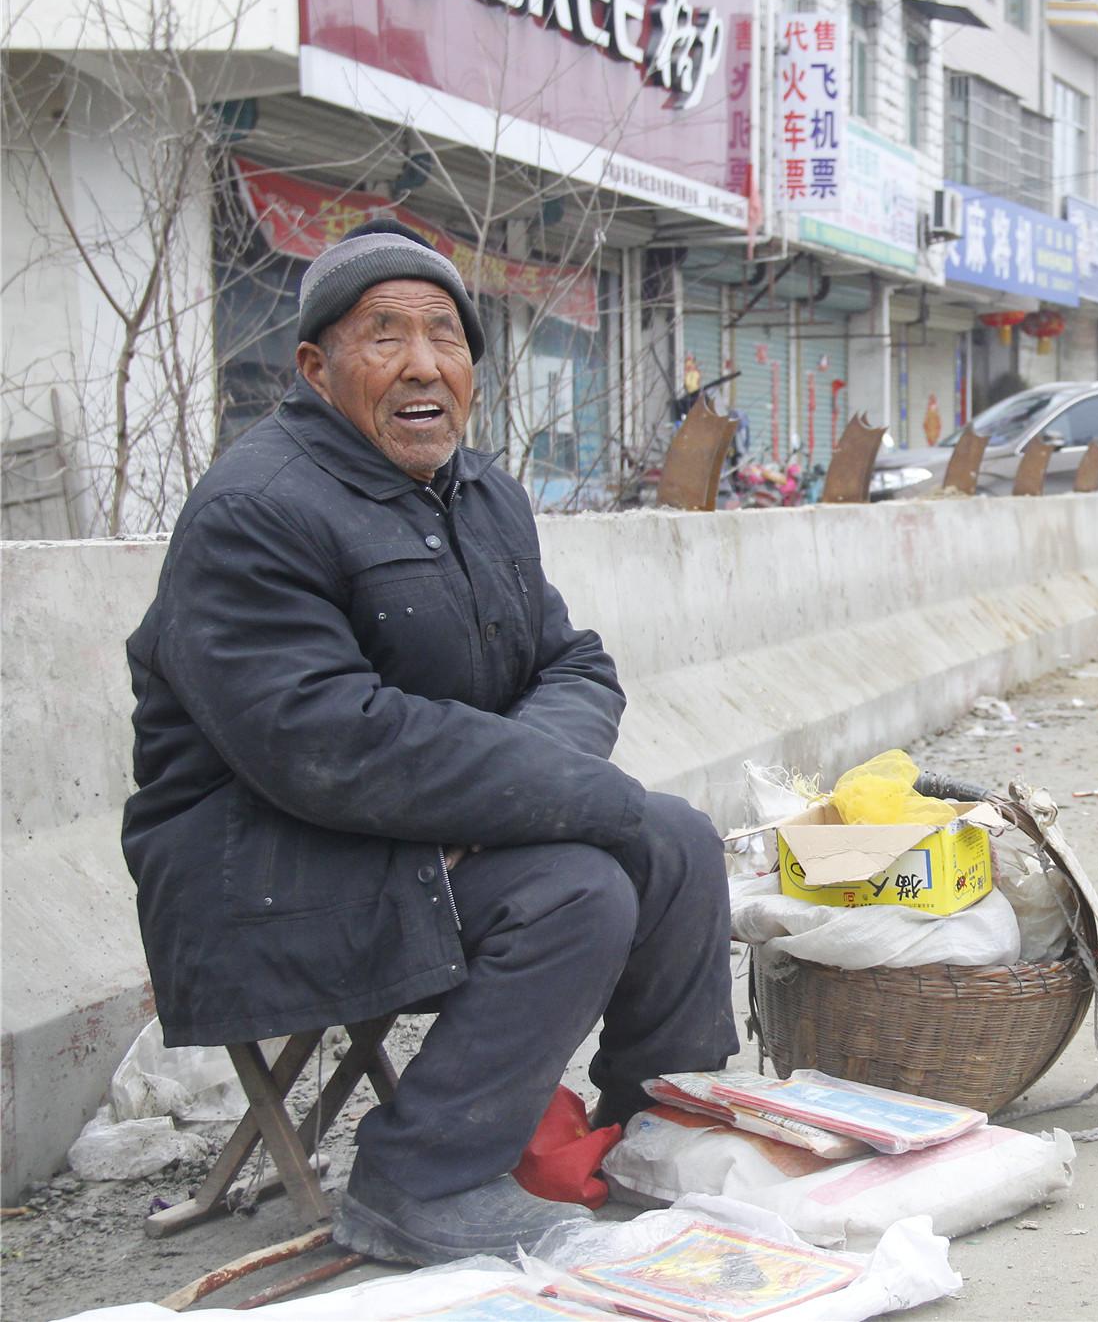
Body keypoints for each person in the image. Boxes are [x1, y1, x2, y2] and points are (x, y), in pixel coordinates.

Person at [122, 221, 735, 1267]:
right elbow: (327, 742)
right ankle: (420, 1180)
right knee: (575, 886)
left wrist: (522, 791)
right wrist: (532, 801)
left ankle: (657, 1121)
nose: (422, 365)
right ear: (316, 367)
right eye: (383, 336)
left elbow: (574, 665)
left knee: (673, 838)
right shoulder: (255, 510)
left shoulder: (481, 493)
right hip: (260, 870)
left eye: (445, 338)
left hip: (413, 830)